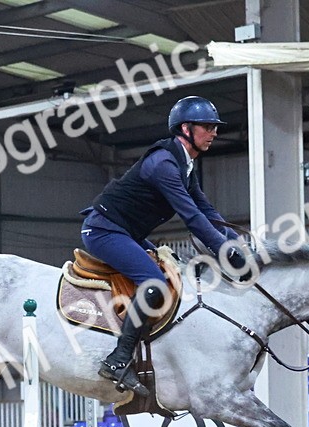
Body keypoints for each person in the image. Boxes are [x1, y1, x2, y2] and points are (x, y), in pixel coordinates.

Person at [81, 95, 243, 396]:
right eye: (207, 127)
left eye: (214, 127)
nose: (214, 132)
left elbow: (206, 209)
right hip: (103, 230)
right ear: (185, 128)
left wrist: (236, 243)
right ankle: (118, 359)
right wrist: (222, 250)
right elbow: (191, 217)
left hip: (125, 232)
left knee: (172, 275)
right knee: (154, 283)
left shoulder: (185, 164)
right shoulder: (164, 164)